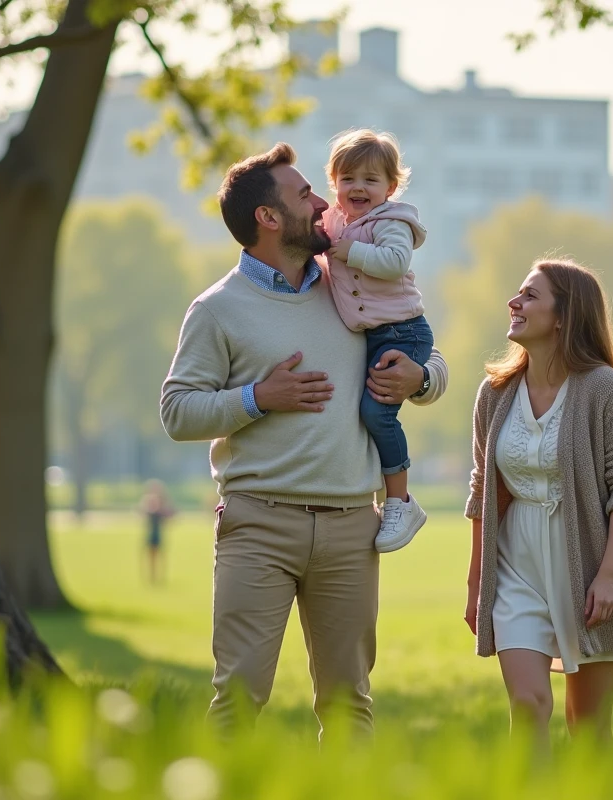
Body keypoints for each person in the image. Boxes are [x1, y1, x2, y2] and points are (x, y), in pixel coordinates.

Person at [159, 142, 448, 740]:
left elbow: (427, 356)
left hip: (351, 525)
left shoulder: (349, 286)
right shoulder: (217, 311)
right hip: (258, 525)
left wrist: (422, 379)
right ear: (268, 219)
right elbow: (178, 412)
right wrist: (259, 398)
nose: (324, 202)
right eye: (304, 195)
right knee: (238, 699)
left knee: (349, 707)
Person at [463, 259, 613, 748]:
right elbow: (483, 488)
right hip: (514, 568)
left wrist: (608, 574)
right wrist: (476, 581)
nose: (514, 302)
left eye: (529, 295)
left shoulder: (606, 389)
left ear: (564, 315)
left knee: (587, 727)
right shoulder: (495, 393)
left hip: (585, 562)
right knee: (528, 706)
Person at [321, 129, 432, 553]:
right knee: (359, 408)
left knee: (377, 412)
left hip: (403, 332)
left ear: (390, 187)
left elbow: (393, 262)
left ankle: (400, 502)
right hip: (372, 334)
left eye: (370, 179)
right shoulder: (334, 222)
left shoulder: (392, 223)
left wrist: (346, 251)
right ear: (335, 185)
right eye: (348, 178)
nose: (358, 188)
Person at [139, 479, 174, 585]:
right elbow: (141, 514)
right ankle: (152, 577)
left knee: (160, 556)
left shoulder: (162, 505)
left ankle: (160, 577)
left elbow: (170, 515)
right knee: (151, 557)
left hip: (158, 534)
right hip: (150, 534)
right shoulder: (147, 503)